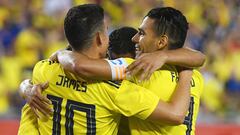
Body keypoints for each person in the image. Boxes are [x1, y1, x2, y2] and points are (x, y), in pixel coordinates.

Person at [18, 4, 193, 135]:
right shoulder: (116, 88)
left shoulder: (43, 70)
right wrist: (186, 70)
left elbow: (32, 84)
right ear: (100, 38)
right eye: (107, 31)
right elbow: (176, 114)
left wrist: (26, 88)